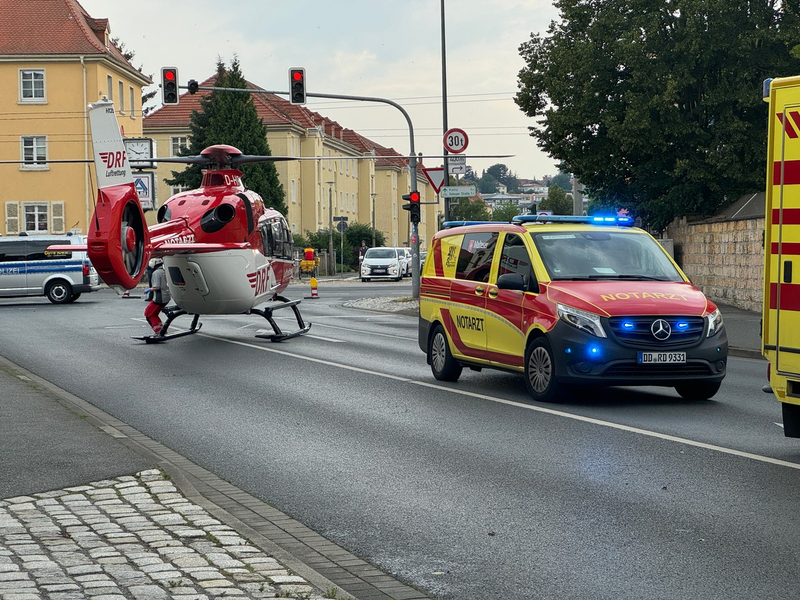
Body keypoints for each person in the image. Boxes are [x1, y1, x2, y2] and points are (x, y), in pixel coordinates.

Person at [143, 258, 171, 336]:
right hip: (166, 296)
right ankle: (162, 330)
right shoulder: (164, 271)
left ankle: (158, 331)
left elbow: (157, 287)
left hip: (159, 297)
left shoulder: (156, 273)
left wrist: (149, 289)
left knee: (148, 314)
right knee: (154, 314)